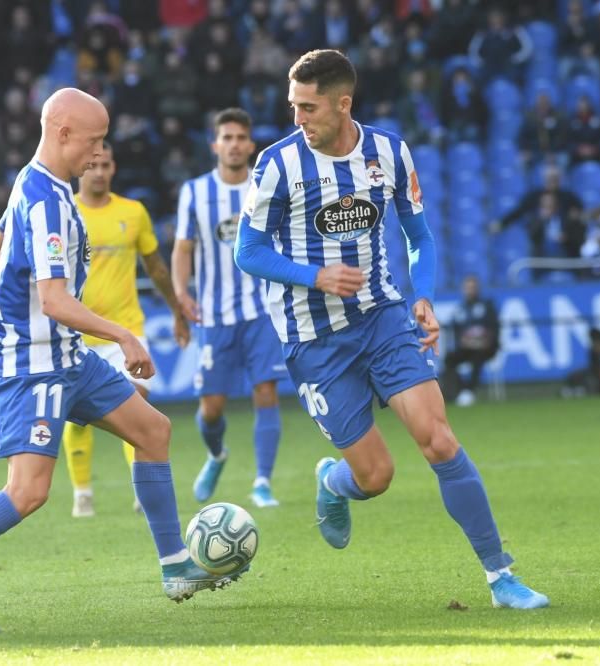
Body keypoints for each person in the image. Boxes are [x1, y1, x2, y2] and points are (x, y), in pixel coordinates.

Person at [0, 89, 245, 620]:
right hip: (34, 365)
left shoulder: (34, 182)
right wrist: (124, 336)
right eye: (93, 141)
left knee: (154, 431)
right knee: (27, 493)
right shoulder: (49, 203)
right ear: (62, 134)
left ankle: (174, 567)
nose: (99, 154)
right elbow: (53, 301)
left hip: (68, 356)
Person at [234, 49, 548, 609]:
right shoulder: (277, 165)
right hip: (314, 340)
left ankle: (500, 576)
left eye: (308, 108)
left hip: (383, 317)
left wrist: (422, 295)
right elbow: (249, 251)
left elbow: (419, 237)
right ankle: (334, 482)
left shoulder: (388, 152)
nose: (297, 119)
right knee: (376, 477)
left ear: (342, 103)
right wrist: (316, 276)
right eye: (292, 107)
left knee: (440, 440)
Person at [59, 141, 190, 518]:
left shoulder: (133, 212)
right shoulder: (65, 211)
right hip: (77, 331)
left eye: (106, 164)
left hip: (125, 328)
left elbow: (156, 267)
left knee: (134, 406)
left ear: (114, 168)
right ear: (83, 167)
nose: (99, 171)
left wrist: (177, 311)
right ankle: (82, 493)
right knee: (76, 414)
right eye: (94, 164)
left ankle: (142, 489)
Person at [171, 107, 288, 509]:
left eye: (241, 137)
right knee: (211, 409)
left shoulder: (268, 186)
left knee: (266, 392)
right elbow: (183, 247)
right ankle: (217, 454)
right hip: (214, 315)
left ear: (251, 145)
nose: (235, 144)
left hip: (262, 310)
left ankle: (262, 482)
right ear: (215, 145)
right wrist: (180, 294)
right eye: (228, 138)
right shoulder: (195, 192)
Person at [442, 276, 501, 407]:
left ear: (478, 289)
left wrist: (486, 342)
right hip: (467, 347)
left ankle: (470, 391)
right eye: (467, 288)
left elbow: (494, 329)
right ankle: (458, 391)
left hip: (486, 347)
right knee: (449, 359)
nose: (470, 291)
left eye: (472, 288)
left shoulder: (487, 306)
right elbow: (456, 332)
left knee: (478, 357)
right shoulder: (460, 309)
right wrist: (464, 342)